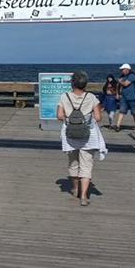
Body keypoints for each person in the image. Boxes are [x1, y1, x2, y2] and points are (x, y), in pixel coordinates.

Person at [56, 70, 107, 207]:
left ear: (72, 83)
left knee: (73, 162)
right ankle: (84, 196)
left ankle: (75, 188)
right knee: (86, 165)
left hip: (70, 135)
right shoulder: (91, 97)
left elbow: (59, 116)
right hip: (88, 135)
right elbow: (98, 118)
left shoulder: (64, 97)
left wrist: (70, 118)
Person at [114, 63, 135, 132]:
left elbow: (126, 84)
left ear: (126, 70)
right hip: (124, 97)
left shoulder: (132, 76)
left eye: (122, 69)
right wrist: (117, 93)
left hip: (133, 97)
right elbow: (118, 86)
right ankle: (118, 125)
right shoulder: (122, 76)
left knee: (134, 112)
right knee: (121, 111)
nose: (121, 71)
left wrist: (120, 81)